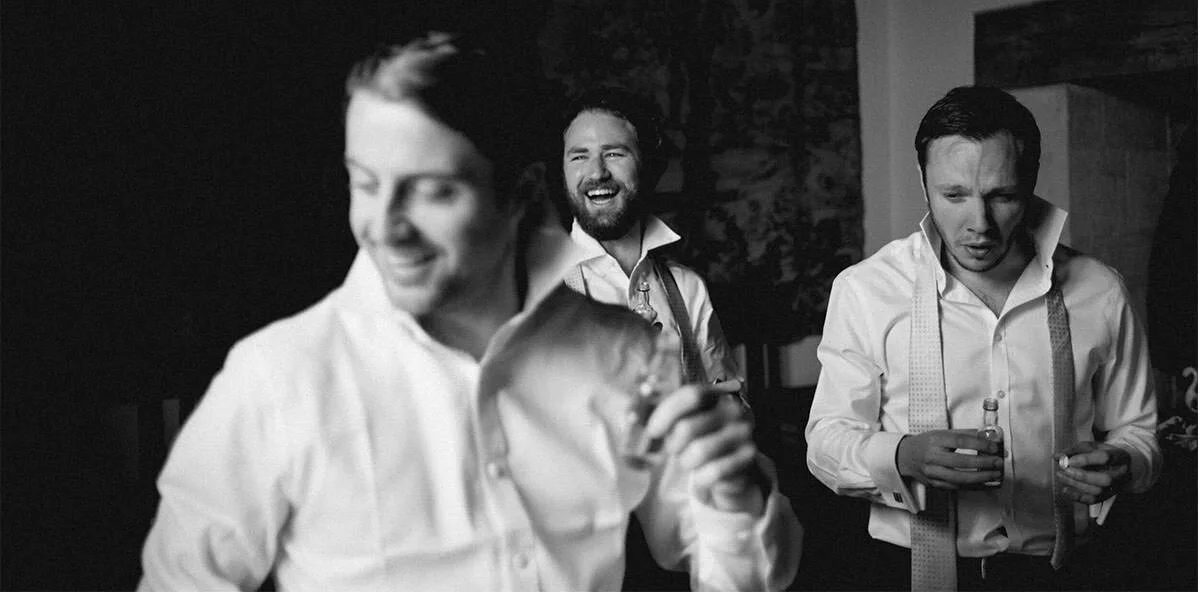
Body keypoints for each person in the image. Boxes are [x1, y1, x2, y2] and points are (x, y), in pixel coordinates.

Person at [138, 31, 802, 591]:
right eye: (365, 185)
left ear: (519, 194)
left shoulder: (622, 351)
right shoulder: (275, 380)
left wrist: (730, 496)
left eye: (431, 191)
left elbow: (709, 562)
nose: (385, 227)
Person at [805, 86, 1160, 591]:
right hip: (905, 572)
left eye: (1002, 196)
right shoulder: (867, 290)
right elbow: (825, 441)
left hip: (1064, 573)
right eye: (954, 196)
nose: (979, 224)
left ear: (1031, 183)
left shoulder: (1099, 290)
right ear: (923, 180)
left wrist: (1124, 463)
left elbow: (1140, 433)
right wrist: (902, 456)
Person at [559, 87, 744, 395]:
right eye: (580, 156)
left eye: (614, 153)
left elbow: (729, 406)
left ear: (648, 164)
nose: (597, 172)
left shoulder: (687, 288)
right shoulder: (532, 292)